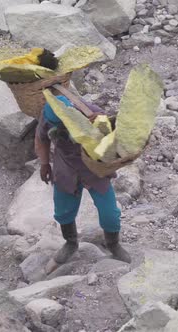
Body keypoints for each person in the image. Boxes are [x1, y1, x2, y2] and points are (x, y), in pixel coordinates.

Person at [34, 92, 132, 265]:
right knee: (64, 211)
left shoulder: (89, 112)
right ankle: (71, 243)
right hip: (65, 167)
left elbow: (114, 137)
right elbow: (41, 138)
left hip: (94, 168)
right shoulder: (47, 115)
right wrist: (44, 164)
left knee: (110, 213)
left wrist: (100, 124)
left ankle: (113, 244)